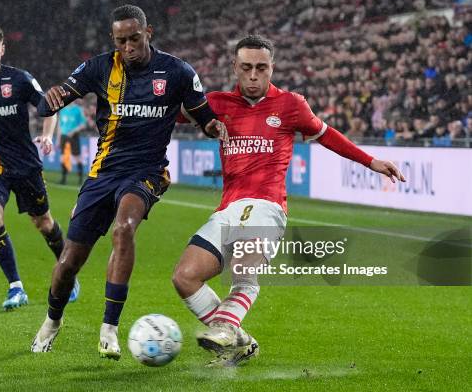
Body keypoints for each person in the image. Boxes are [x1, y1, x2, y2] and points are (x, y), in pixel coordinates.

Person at [172, 35, 405, 366]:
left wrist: (371, 162)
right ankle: (240, 340)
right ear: (234, 67)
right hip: (227, 209)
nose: (254, 75)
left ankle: (225, 327)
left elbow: (328, 135)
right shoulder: (216, 103)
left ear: (272, 68)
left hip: (267, 206)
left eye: (261, 68)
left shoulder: (291, 105)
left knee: (243, 266)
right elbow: (168, 111)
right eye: (247, 68)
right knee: (184, 277)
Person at [30, 5, 226, 358]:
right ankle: (52, 320)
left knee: (124, 228)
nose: (128, 46)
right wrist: (52, 96)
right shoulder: (99, 67)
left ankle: (109, 328)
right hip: (103, 173)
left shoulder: (177, 71)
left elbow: (204, 117)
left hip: (147, 172)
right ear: (113, 40)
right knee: (69, 263)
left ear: (148, 32)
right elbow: (47, 106)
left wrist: (213, 127)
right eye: (121, 41)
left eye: (135, 38)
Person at [0, 23, 80, 311]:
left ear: (3, 49)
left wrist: (46, 134)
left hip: (26, 167)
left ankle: (68, 274)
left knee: (43, 223)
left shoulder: (19, 80)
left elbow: (48, 106)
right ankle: (15, 287)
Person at [57, 100, 87, 185]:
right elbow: (60, 125)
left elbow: (83, 124)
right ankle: (63, 179)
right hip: (64, 136)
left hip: (74, 136)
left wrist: (74, 131)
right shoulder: (62, 110)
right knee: (63, 157)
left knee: (77, 157)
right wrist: (58, 139)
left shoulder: (78, 109)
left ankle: (81, 179)